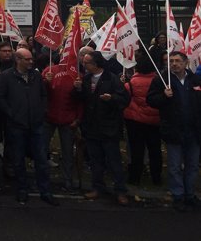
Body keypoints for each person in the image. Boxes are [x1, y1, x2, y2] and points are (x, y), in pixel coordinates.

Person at [0, 48, 58, 206]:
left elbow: (43, 95)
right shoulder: (6, 77)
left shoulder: (36, 75)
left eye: (31, 59)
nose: (31, 61)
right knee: (18, 160)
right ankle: (22, 190)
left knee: (41, 159)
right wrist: (11, 113)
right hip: (16, 125)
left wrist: (42, 110)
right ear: (18, 60)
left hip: (36, 124)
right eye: (27, 59)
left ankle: (45, 190)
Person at [74, 51, 130, 206]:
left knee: (114, 161)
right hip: (92, 127)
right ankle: (97, 187)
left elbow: (124, 99)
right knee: (95, 160)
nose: (84, 65)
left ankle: (120, 190)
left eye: (87, 63)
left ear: (96, 63)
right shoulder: (85, 79)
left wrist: (112, 99)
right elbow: (81, 100)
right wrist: (77, 89)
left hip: (109, 127)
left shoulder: (111, 79)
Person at [147, 51, 201, 212]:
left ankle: (189, 194)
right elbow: (150, 100)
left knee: (192, 165)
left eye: (178, 61)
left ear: (186, 63)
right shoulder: (162, 81)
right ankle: (178, 195)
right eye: (171, 61)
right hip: (174, 130)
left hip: (194, 131)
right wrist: (163, 96)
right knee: (175, 165)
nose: (174, 64)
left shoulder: (196, 80)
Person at [42, 59, 82, 193]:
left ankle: (67, 180)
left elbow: (81, 101)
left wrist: (78, 118)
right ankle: (41, 177)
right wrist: (45, 82)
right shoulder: (49, 71)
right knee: (42, 149)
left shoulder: (77, 74)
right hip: (49, 117)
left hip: (68, 119)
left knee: (68, 152)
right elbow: (41, 93)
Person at [123, 55, 162, 186]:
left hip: (135, 120)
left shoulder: (131, 83)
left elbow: (126, 98)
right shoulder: (159, 81)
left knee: (136, 150)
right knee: (155, 150)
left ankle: (134, 177)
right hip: (154, 121)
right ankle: (156, 178)